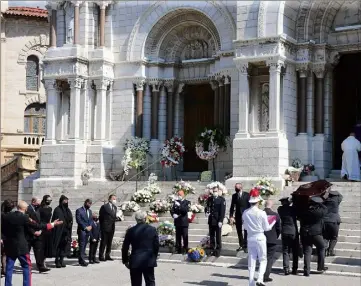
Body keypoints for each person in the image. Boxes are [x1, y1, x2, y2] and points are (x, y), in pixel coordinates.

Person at [1, 200, 63, 286]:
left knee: (9, 268)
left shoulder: (6, 216)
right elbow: (38, 226)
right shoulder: (25, 217)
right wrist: (52, 224)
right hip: (22, 247)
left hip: (10, 246)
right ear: (25, 209)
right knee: (26, 267)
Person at [242, 189, 276, 286]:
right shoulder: (262, 213)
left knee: (252, 260)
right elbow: (266, 228)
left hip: (250, 237)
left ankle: (251, 282)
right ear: (258, 202)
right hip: (260, 236)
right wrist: (272, 222)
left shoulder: (245, 212)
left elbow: (244, 227)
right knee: (263, 259)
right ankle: (260, 279)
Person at [122, 211, 159, 286]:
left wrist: (125, 260)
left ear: (136, 219)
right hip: (148, 259)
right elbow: (156, 245)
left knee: (136, 283)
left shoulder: (130, 230)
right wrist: (154, 256)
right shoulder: (152, 229)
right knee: (150, 282)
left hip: (135, 259)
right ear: (145, 219)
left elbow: (125, 247)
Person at [298, 196, 328, 277]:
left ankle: (306, 271)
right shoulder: (319, 212)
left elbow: (299, 218)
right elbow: (326, 209)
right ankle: (320, 266)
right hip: (316, 234)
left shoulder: (305, 211)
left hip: (305, 233)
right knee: (322, 247)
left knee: (307, 252)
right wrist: (321, 203)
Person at [26, 197, 50, 273]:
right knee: (27, 251)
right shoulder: (28, 209)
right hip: (29, 234)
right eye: (38, 202)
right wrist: (33, 232)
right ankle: (27, 267)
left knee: (38, 250)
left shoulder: (38, 209)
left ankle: (40, 266)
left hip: (38, 232)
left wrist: (40, 230)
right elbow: (27, 223)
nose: (40, 203)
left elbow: (40, 221)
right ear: (33, 202)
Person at [277, 197, 299, 275]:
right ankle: (294, 269)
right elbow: (295, 210)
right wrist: (293, 201)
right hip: (293, 231)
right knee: (295, 251)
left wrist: (289, 203)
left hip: (285, 231)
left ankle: (286, 268)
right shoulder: (292, 209)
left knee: (286, 251)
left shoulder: (280, 209)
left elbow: (286, 207)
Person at [51, 195, 73, 268]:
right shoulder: (57, 209)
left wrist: (70, 223)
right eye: (64, 200)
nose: (66, 202)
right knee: (58, 246)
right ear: (61, 201)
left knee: (64, 246)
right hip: (59, 231)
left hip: (66, 231)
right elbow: (54, 220)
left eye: (67, 201)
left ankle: (62, 259)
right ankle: (57, 260)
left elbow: (70, 219)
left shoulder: (68, 210)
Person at [205, 187, 226, 257]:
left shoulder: (221, 200)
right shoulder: (210, 199)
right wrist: (206, 213)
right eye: (214, 191)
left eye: (216, 191)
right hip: (211, 220)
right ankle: (211, 248)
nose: (214, 192)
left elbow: (222, 211)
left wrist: (221, 220)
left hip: (217, 220)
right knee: (211, 236)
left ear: (219, 191)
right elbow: (207, 207)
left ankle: (218, 249)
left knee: (218, 236)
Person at [263, 200, 281, 282]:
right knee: (269, 258)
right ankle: (266, 276)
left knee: (262, 258)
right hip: (271, 239)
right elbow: (278, 228)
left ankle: (261, 274)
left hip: (261, 239)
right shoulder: (275, 215)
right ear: (272, 205)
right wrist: (275, 237)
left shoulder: (260, 213)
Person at [229, 183, 250, 253]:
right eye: (235, 187)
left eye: (236, 187)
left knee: (246, 230)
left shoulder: (247, 195)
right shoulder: (234, 196)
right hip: (238, 215)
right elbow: (232, 206)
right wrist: (231, 216)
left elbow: (249, 205)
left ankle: (246, 245)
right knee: (239, 231)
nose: (235, 188)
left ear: (241, 187)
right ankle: (241, 244)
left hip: (246, 215)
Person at [323, 190, 343, 256]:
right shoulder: (336, 201)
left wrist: (326, 193)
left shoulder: (324, 201)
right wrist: (336, 192)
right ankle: (330, 250)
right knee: (334, 237)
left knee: (325, 237)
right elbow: (341, 196)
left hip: (325, 221)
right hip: (334, 221)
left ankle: (324, 250)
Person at [170, 189, 190, 254]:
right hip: (177, 222)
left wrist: (179, 206)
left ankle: (185, 249)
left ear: (183, 195)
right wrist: (173, 215)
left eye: (180, 195)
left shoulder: (187, 202)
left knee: (185, 236)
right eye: (178, 195)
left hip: (184, 222)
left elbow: (185, 210)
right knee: (178, 237)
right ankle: (178, 249)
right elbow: (172, 210)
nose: (179, 196)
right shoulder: (175, 202)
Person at [99, 194, 117, 261]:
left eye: (115, 199)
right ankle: (101, 255)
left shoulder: (115, 207)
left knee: (109, 242)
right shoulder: (104, 207)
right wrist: (102, 226)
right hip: (105, 227)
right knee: (104, 242)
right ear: (109, 199)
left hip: (112, 227)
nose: (115, 200)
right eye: (113, 199)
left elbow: (113, 216)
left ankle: (107, 255)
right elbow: (101, 217)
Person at [75, 199, 93, 266]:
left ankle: (81, 259)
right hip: (82, 230)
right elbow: (79, 220)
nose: (89, 205)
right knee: (82, 245)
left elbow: (91, 220)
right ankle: (82, 260)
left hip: (88, 231)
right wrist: (85, 227)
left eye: (90, 204)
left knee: (85, 245)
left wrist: (90, 226)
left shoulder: (90, 211)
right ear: (85, 203)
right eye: (89, 203)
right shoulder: (79, 210)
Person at [38, 195, 53, 268]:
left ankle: (43, 261)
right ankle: (41, 263)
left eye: (51, 200)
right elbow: (39, 219)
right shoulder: (40, 209)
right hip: (42, 227)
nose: (49, 202)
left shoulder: (50, 208)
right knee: (42, 246)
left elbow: (49, 219)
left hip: (48, 228)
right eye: (48, 200)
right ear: (45, 200)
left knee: (47, 246)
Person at [1, 200, 14, 277]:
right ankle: (4, 269)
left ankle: (4, 269)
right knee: (4, 253)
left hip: (7, 237)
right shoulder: (2, 215)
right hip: (2, 236)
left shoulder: (9, 214)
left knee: (4, 254)